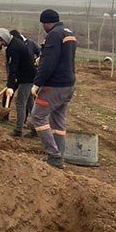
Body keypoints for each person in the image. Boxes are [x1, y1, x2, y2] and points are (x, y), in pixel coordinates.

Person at [29, 9, 77, 168]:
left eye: (43, 24)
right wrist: (42, 58)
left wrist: (37, 83)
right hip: (68, 84)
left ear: (46, 23)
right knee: (58, 120)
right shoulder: (68, 33)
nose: (43, 28)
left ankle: (53, 154)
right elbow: (62, 58)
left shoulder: (54, 35)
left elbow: (49, 63)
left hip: (55, 85)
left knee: (37, 116)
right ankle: (58, 157)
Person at [0, 28, 35, 137]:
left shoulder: (13, 48)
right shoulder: (14, 43)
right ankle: (36, 128)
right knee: (30, 103)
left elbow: (13, 67)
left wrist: (10, 86)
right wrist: (11, 83)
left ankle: (18, 130)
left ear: (6, 37)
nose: (1, 43)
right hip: (28, 75)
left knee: (20, 103)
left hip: (26, 78)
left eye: (1, 40)